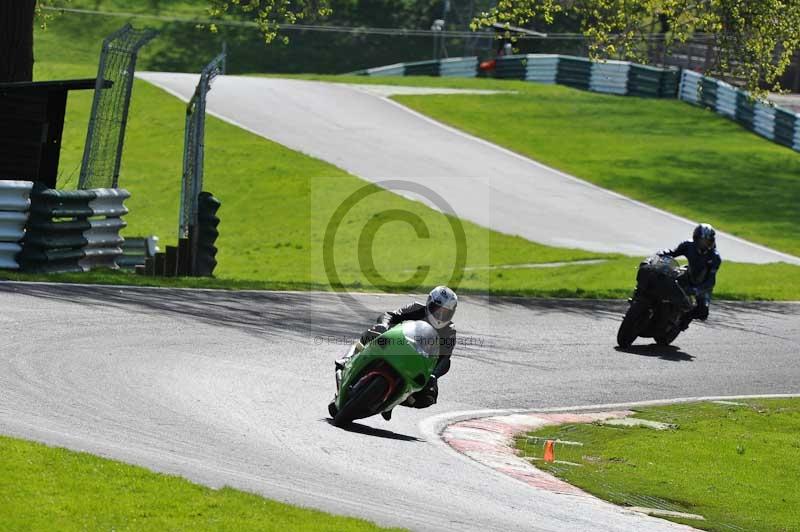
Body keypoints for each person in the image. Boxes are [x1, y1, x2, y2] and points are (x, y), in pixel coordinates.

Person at [335, 286, 458, 420]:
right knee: (373, 332)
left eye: (445, 313)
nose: (440, 315)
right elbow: (389, 315)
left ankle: (393, 401)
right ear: (429, 303)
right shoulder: (416, 308)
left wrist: (434, 375)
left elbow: (445, 359)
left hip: (418, 360)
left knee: (428, 397)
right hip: (397, 344)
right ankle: (348, 358)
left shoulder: (449, 331)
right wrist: (383, 325)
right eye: (437, 310)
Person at [658, 223, 722, 325]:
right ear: (696, 238)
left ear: (712, 241)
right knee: (666, 283)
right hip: (687, 276)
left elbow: (711, 280)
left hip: (703, 286)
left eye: (707, 241)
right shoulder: (688, 245)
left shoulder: (715, 257)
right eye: (701, 240)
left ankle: (683, 322)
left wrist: (698, 290)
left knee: (703, 312)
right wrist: (662, 253)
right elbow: (673, 252)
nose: (704, 243)